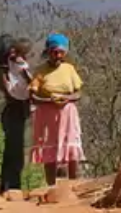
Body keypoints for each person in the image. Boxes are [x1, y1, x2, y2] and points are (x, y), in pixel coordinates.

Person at [29, 33, 85, 182]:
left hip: (67, 112)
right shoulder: (40, 71)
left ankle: (74, 184)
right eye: (54, 52)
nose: (58, 55)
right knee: (49, 148)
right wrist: (47, 100)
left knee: (71, 145)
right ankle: (51, 185)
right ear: (48, 52)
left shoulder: (69, 69)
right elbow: (33, 94)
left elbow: (78, 92)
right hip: (47, 114)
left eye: (61, 52)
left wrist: (67, 98)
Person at [0, 37, 33, 195]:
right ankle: (11, 186)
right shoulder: (3, 69)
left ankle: (10, 185)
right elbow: (9, 92)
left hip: (19, 109)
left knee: (15, 150)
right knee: (14, 150)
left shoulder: (17, 65)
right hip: (13, 109)